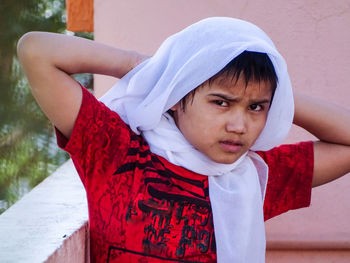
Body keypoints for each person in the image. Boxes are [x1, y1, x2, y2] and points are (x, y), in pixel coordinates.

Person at [17, 17, 350, 263]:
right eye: (221, 102)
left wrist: (282, 97)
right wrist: (150, 68)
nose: (239, 125)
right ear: (175, 94)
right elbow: (36, 50)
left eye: (256, 108)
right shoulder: (116, 152)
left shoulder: (254, 177)